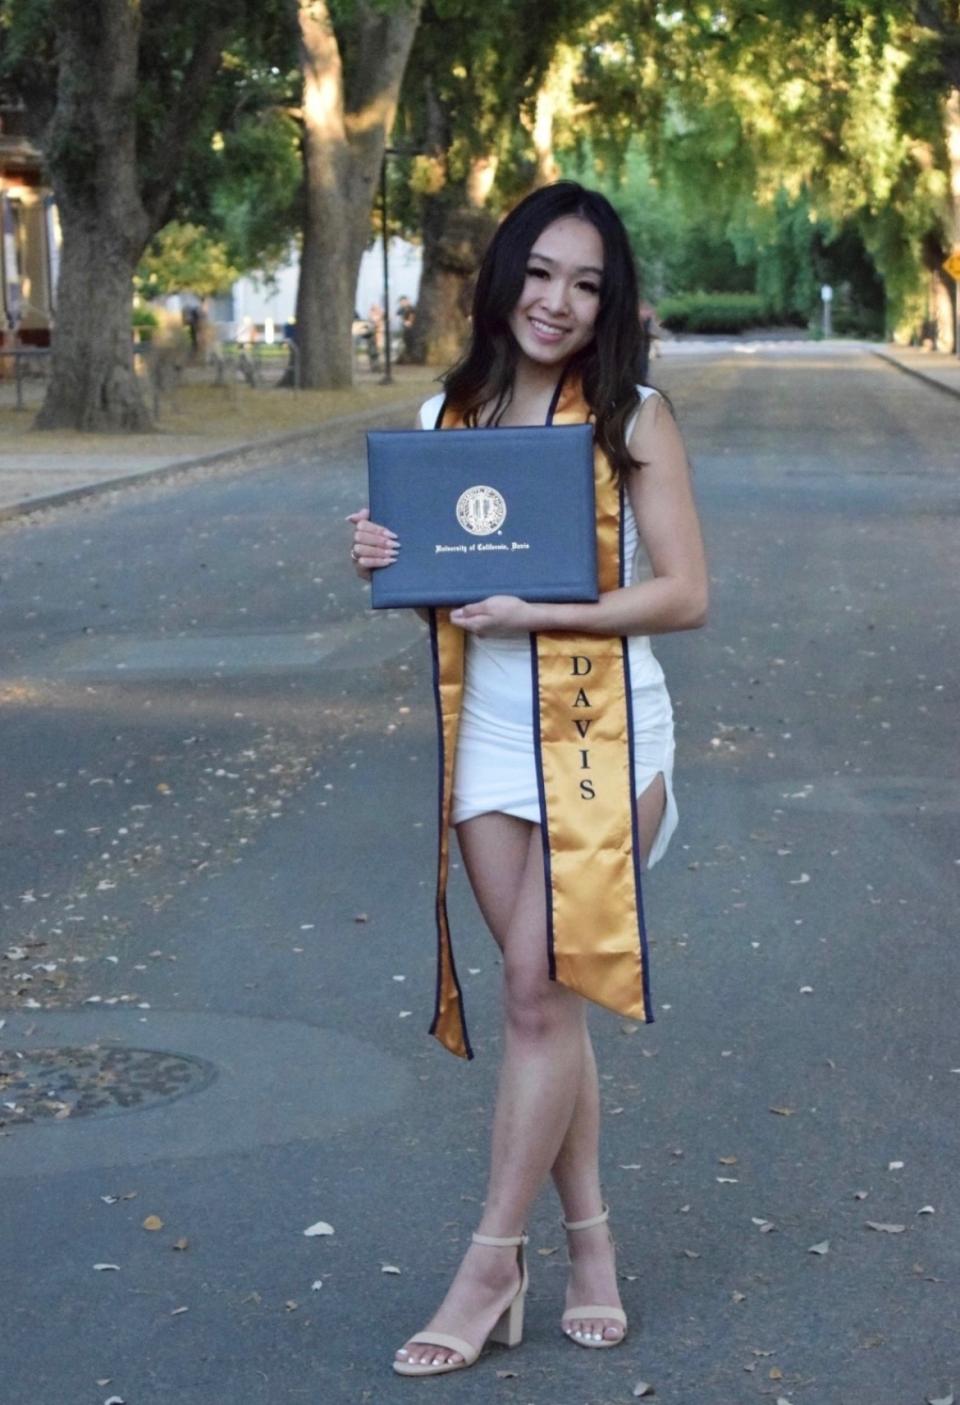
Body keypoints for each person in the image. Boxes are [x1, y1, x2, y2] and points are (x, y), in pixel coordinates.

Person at [347, 181, 707, 1378]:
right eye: (542, 273)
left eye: (587, 283)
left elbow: (686, 592)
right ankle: (592, 1247)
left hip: (609, 734)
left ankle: (489, 1263)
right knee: (543, 1004)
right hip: (490, 744)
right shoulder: (444, 417)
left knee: (535, 985)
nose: (559, 301)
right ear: (503, 277)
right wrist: (383, 555)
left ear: (610, 303)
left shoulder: (631, 415)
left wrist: (554, 609)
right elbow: (433, 578)